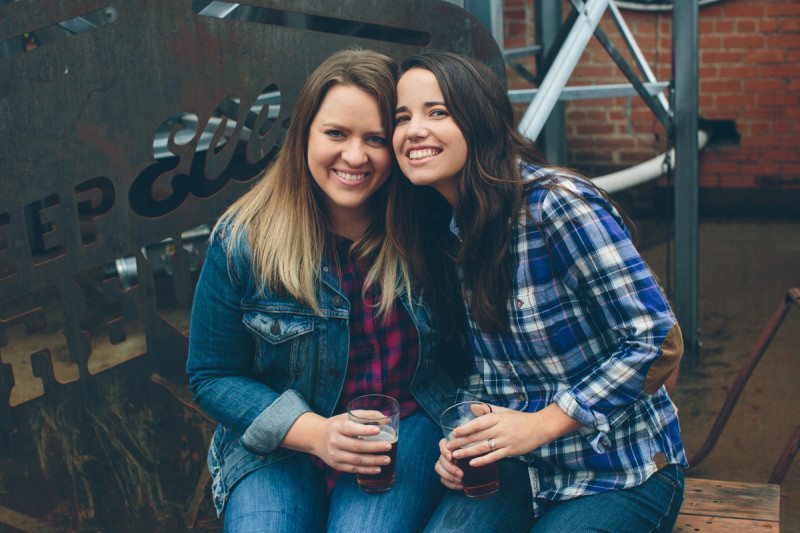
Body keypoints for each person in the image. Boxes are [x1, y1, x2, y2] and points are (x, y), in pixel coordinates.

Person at [389, 50, 687, 532]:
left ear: (480, 120)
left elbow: (658, 339)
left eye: (437, 112)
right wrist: (463, 432)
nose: (414, 130)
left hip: (621, 473)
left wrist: (542, 423)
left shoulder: (556, 205)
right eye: (403, 117)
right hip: (520, 473)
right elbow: (490, 370)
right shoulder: (450, 228)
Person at [186, 49, 456, 532]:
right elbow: (212, 374)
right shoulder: (243, 240)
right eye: (336, 133)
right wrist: (313, 433)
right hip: (278, 443)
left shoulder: (426, 227)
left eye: (375, 139)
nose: (355, 156)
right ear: (304, 133)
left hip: (402, 429)